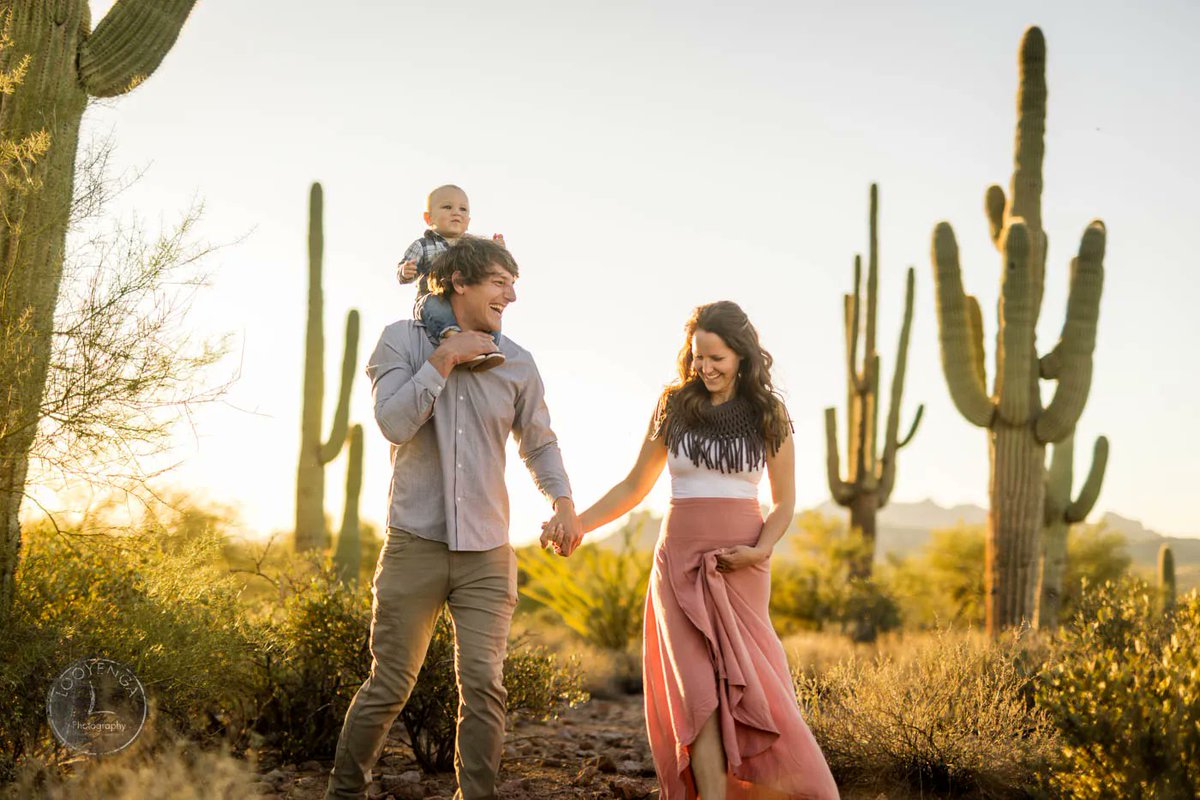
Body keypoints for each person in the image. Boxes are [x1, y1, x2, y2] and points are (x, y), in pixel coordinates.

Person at [547, 301, 839, 799]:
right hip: (677, 565)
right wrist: (578, 524)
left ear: (743, 357)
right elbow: (635, 485)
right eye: (697, 356)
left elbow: (785, 502)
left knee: (753, 688)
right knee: (697, 694)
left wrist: (760, 551)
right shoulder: (673, 406)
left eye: (716, 358)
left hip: (741, 565)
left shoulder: (769, 413)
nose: (705, 367)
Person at [327, 237, 583, 800]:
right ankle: (343, 793)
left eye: (513, 284)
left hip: (488, 552)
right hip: (414, 543)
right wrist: (444, 359)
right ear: (459, 282)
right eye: (498, 282)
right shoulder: (400, 340)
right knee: (389, 684)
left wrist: (562, 502)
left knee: (485, 686)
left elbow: (539, 444)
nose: (510, 295)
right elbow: (394, 423)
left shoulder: (518, 362)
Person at [396, 183, 506, 371]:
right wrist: (406, 271)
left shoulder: (474, 246)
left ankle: (489, 347)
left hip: (466, 301)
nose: (456, 213)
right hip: (435, 298)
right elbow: (403, 273)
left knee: (489, 309)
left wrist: (498, 250)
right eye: (447, 207)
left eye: (463, 209)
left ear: (469, 220)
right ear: (428, 217)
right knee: (434, 304)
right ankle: (454, 339)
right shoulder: (423, 245)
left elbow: (490, 268)